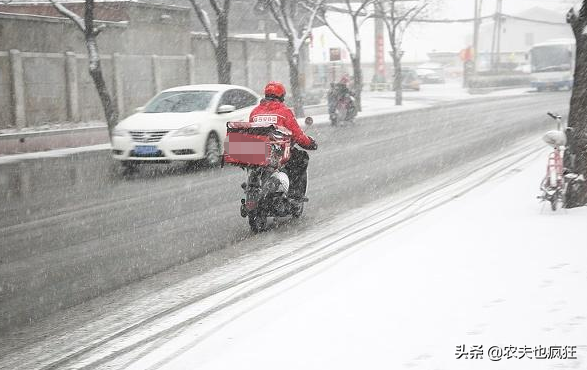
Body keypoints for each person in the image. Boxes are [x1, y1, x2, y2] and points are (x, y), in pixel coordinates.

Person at [249, 81, 317, 200]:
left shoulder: (255, 112)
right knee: (301, 158)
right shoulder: (284, 112)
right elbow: (298, 135)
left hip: (257, 153)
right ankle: (295, 194)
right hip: (278, 154)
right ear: (281, 96)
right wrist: (310, 143)